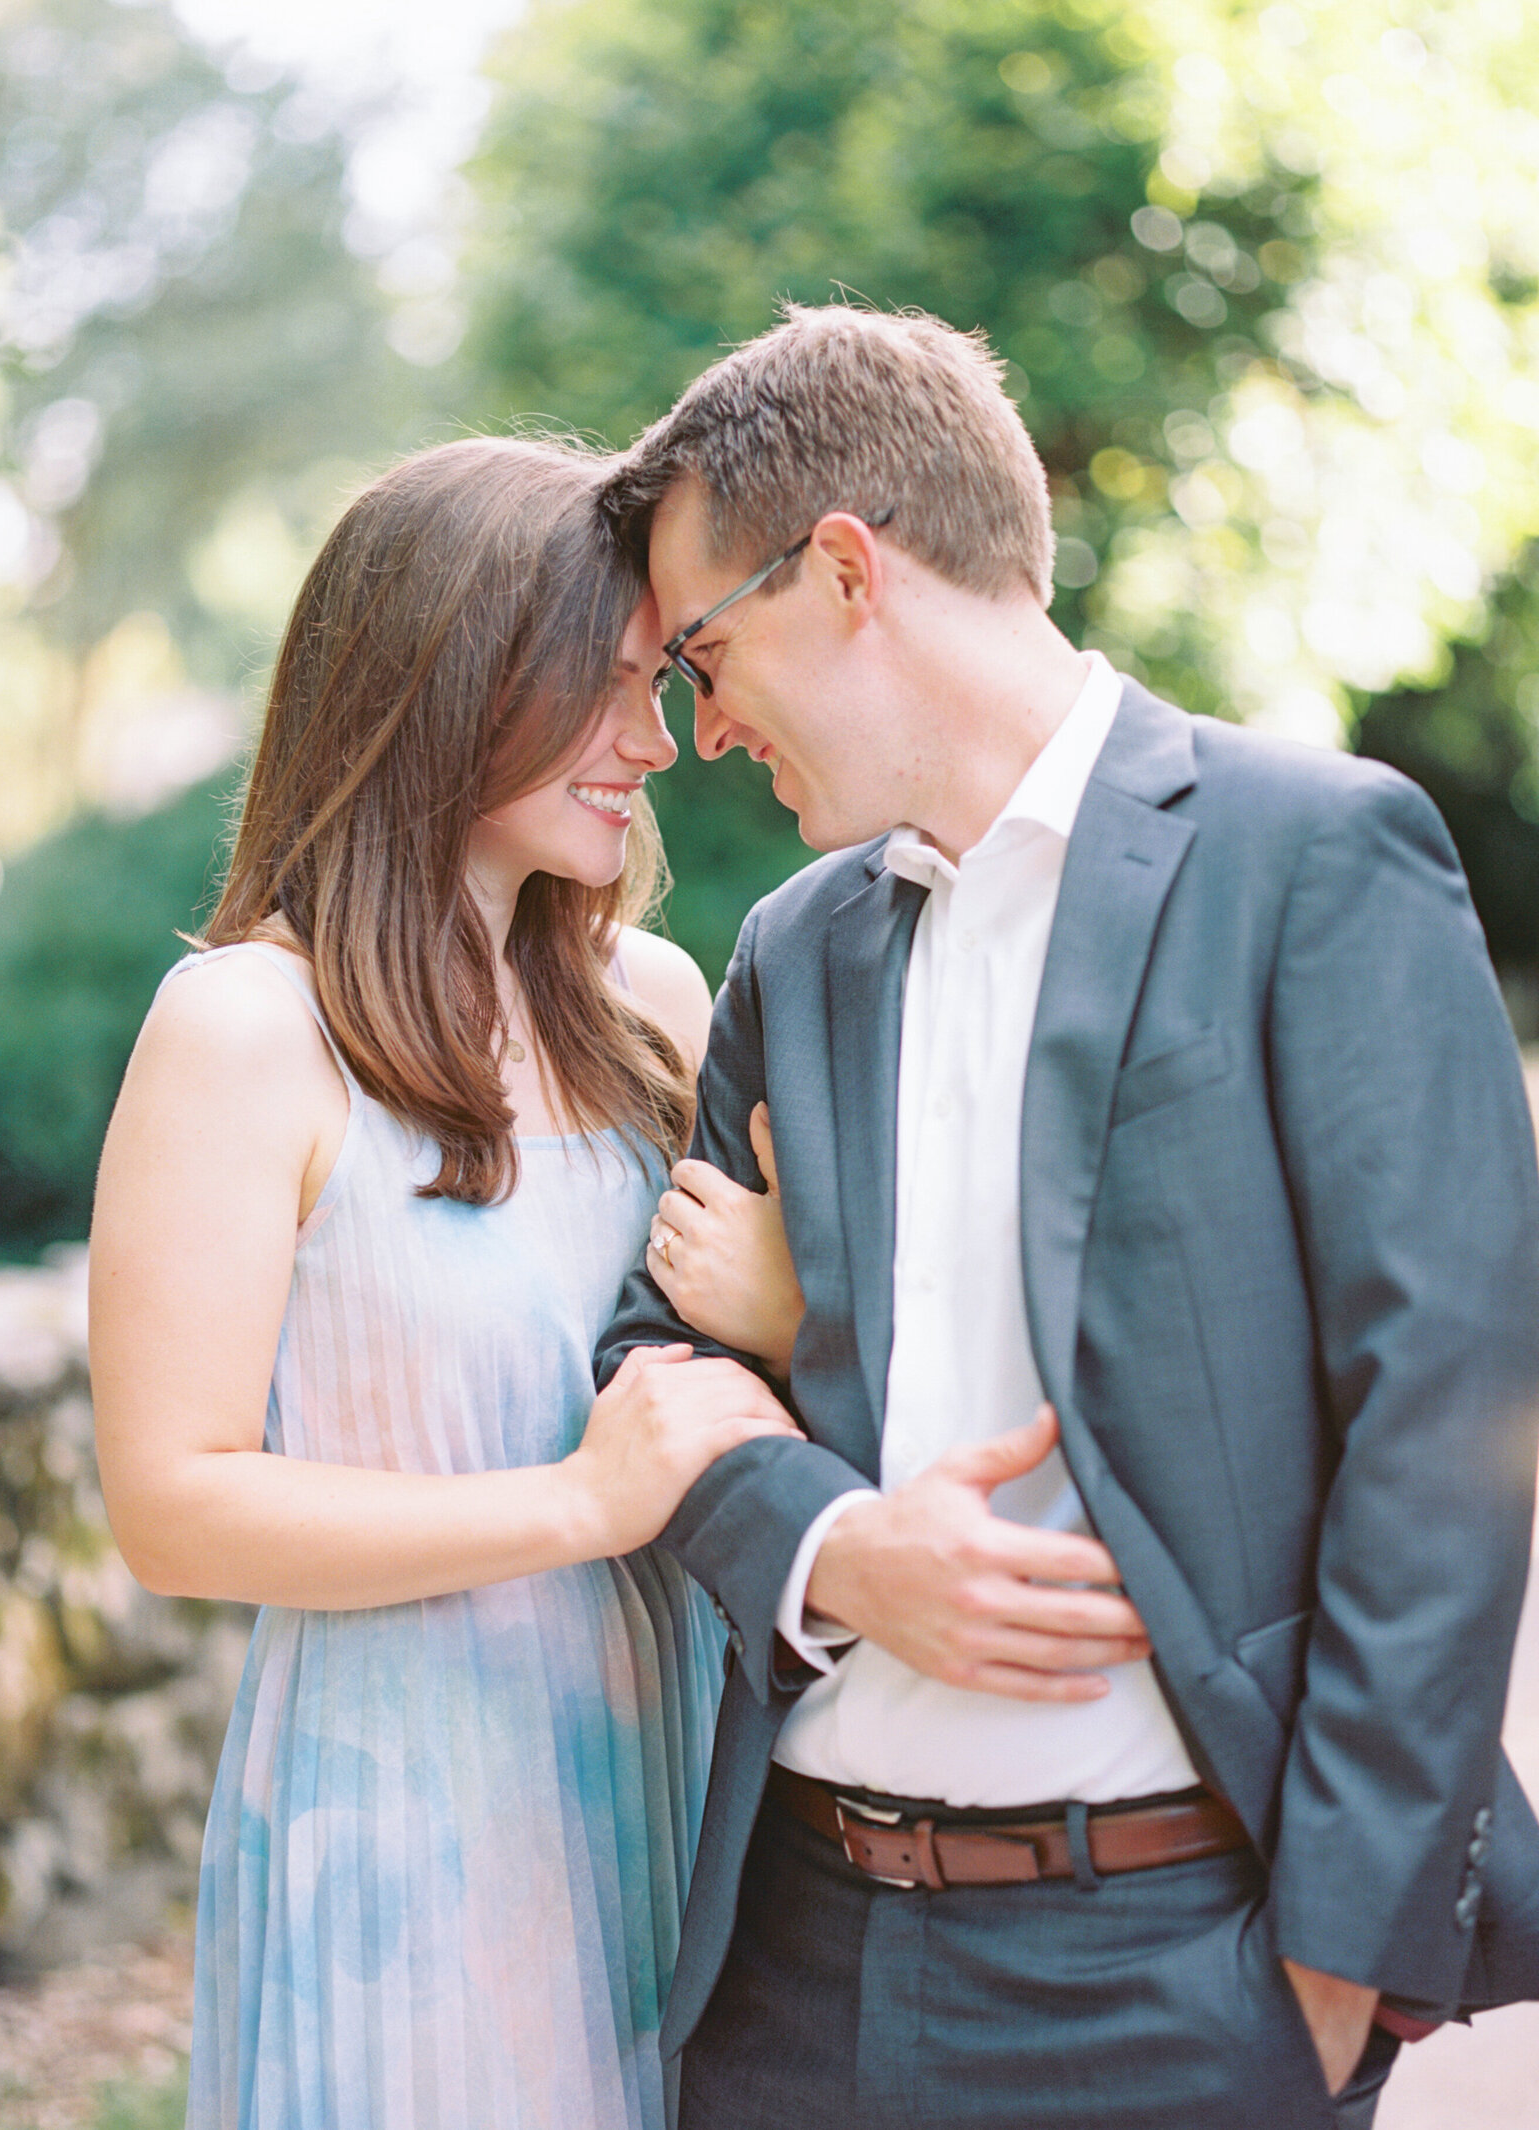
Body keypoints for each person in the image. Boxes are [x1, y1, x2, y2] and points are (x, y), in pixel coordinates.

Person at [594, 306, 1539, 2130]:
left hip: (1186, 1978)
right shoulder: (795, 951)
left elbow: (1452, 1410)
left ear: (849, 571)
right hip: (798, 1971)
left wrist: (1344, 1951)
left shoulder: (1311, 855)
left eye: (707, 654)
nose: (704, 733)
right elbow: (654, 1351)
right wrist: (831, 1546)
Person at [89, 436, 804, 2130]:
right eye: (611, 688)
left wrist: (787, 1316)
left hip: (672, 1802)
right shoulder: (246, 1030)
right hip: (404, 1819)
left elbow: (748, 1385)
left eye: (668, 682)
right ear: (448, 681)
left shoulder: (654, 1000)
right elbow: (171, 1506)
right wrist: (573, 1500)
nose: (656, 742)